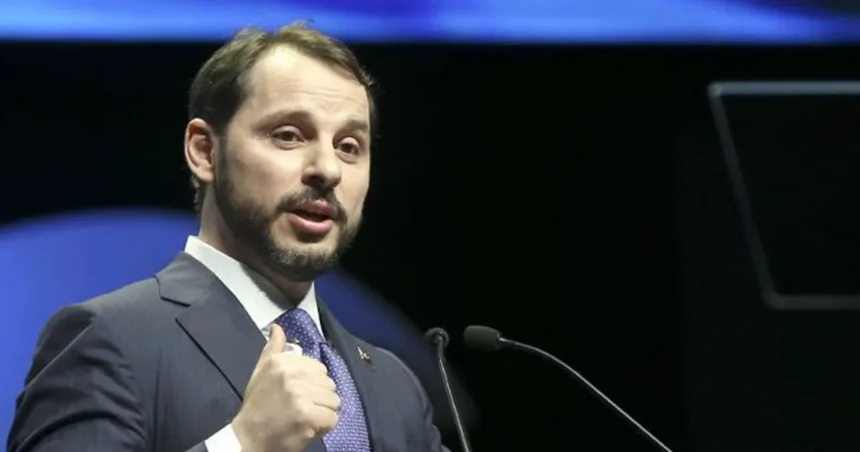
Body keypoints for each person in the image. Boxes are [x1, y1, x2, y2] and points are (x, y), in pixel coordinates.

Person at [8, 22, 450, 452]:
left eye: (349, 146)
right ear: (204, 151)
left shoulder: (396, 386)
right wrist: (244, 443)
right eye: (289, 136)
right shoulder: (110, 340)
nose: (328, 169)